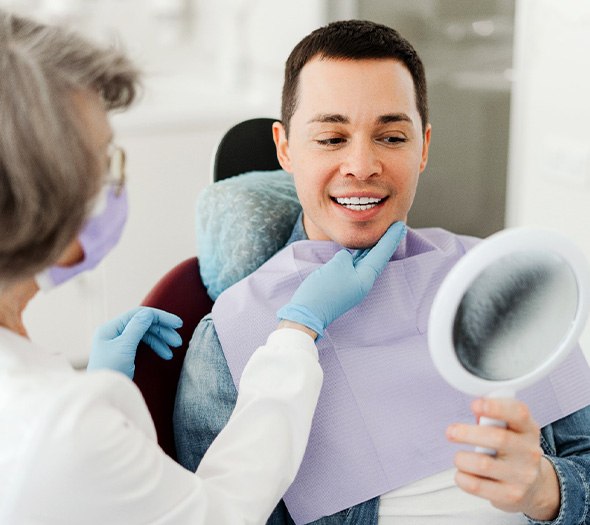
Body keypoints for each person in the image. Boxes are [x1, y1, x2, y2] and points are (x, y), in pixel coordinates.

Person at [173, 19, 590, 525]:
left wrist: (548, 492)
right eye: (331, 138)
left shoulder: (506, 287)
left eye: (391, 136)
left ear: (424, 147)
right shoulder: (231, 340)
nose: (361, 164)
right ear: (285, 148)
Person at [0, 11, 408, 524]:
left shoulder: (56, 411)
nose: (361, 166)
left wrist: (101, 391)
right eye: (103, 164)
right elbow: (219, 514)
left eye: (392, 136)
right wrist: (297, 330)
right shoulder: (59, 424)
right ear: (33, 196)